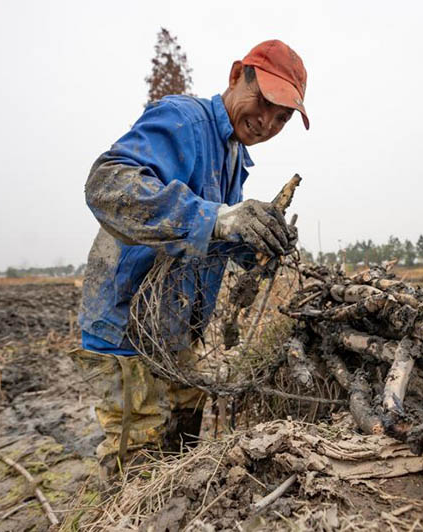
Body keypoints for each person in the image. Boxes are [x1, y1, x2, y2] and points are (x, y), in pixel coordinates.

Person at [71, 40, 309, 473]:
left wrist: (256, 240)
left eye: (283, 117)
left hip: (175, 330)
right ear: (237, 75)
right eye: (264, 102)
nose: (267, 122)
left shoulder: (234, 157)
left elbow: (209, 238)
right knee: (137, 454)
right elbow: (106, 185)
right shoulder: (183, 119)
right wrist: (217, 216)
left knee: (185, 432)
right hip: (126, 328)